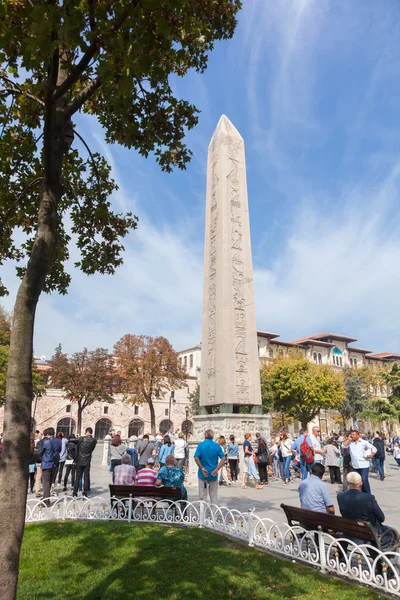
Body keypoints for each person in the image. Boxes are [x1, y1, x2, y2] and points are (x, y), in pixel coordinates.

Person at [338, 472, 395, 555]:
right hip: (368, 533)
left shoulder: (340, 496)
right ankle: (382, 563)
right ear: (361, 484)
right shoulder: (369, 498)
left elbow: (344, 512)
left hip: (349, 530)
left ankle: (341, 555)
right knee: (391, 533)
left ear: (347, 483)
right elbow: (381, 518)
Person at [194, 429, 225, 504]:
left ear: (205, 436)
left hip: (203, 473)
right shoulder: (217, 446)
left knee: (202, 496)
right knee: (213, 496)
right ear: (213, 436)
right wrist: (217, 469)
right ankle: (213, 514)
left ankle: (202, 514)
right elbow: (223, 458)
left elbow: (196, 457)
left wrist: (202, 468)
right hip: (213, 473)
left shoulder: (201, 445)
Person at [342, 429, 376, 494]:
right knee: (356, 481)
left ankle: (368, 494)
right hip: (355, 465)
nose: (352, 436)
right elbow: (343, 446)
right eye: (351, 434)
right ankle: (359, 493)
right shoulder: (350, 442)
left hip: (364, 464)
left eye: (353, 434)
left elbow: (374, 448)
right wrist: (348, 439)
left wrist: (371, 455)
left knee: (364, 479)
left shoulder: (364, 442)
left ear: (358, 435)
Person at [72, 427, 97, 497]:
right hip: (87, 460)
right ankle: (85, 493)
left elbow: (72, 440)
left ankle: (75, 493)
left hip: (80, 460)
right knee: (86, 477)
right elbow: (92, 449)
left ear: (87, 432)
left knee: (77, 477)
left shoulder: (82, 438)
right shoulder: (94, 440)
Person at [40, 428, 58, 506]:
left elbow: (40, 452)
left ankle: (46, 501)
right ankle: (45, 497)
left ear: (47, 435)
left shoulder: (46, 442)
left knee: (46, 483)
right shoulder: (58, 441)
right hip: (55, 464)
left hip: (47, 463)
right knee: (49, 483)